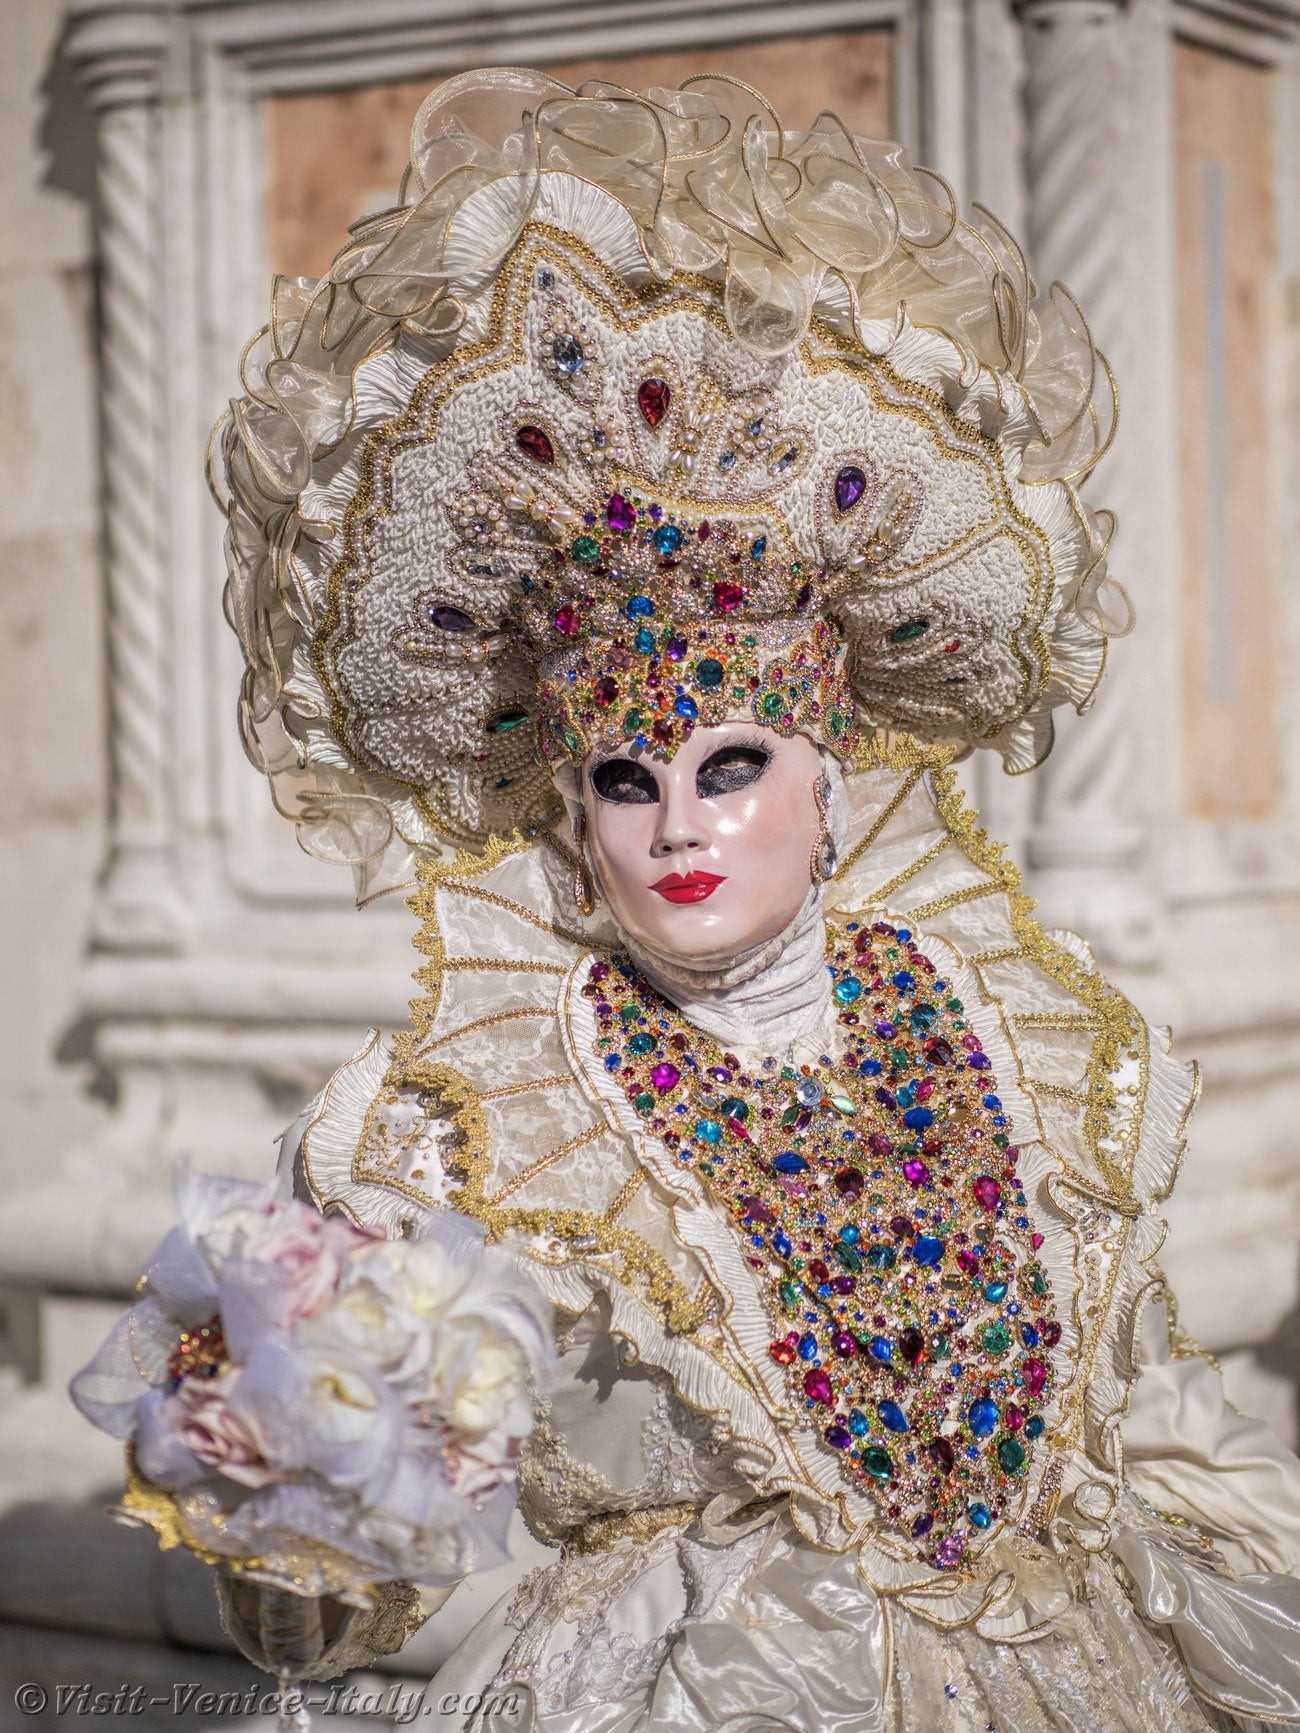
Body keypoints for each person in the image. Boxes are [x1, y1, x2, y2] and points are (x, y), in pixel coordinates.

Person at [213, 66, 1300, 1731]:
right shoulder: (465, 1123)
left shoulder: (1031, 1042)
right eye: (626, 783)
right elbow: (336, 1603)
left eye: (730, 767)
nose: (678, 829)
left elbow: (1156, 1418)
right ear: (569, 812)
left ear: (832, 774)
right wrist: (291, 1443)